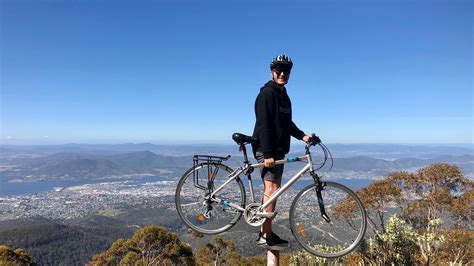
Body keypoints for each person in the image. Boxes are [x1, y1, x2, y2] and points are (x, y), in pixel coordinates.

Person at [252, 54, 311, 250]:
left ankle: (266, 232)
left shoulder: (284, 96)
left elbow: (287, 123)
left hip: (277, 151)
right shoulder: (267, 94)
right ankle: (264, 235)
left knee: (274, 190)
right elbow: (264, 125)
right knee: (272, 190)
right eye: (279, 70)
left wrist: (303, 136)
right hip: (266, 149)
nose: (282, 73)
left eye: (286, 70)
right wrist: (267, 153)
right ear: (272, 72)